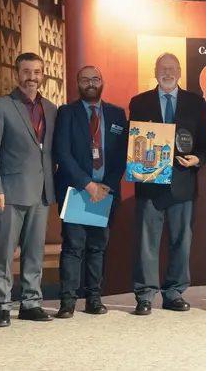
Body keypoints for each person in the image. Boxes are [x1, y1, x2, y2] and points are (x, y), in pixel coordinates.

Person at [129, 52, 206, 315]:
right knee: (145, 242)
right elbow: (133, 143)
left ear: (180, 72)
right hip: (150, 183)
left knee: (181, 240)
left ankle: (174, 293)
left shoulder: (196, 103)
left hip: (183, 183)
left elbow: (203, 144)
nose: (167, 73)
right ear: (155, 71)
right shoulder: (139, 102)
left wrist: (198, 159)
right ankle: (145, 295)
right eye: (163, 68)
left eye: (172, 68)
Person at [0, 52, 58, 328]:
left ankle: (30, 302)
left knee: (35, 250)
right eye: (26, 72)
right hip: (9, 192)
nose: (32, 77)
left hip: (42, 192)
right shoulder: (0, 106)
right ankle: (1, 305)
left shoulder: (51, 108)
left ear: (43, 75)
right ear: (17, 74)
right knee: (4, 251)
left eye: (37, 72)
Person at [53, 66, 128, 318]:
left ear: (102, 82)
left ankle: (94, 298)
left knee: (97, 247)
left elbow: (121, 156)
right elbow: (62, 153)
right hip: (76, 190)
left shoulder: (117, 114)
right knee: (73, 247)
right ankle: (68, 301)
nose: (91, 84)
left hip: (105, 191)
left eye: (95, 79)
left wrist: (104, 185)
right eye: (85, 80)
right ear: (77, 84)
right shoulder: (66, 112)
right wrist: (88, 185)